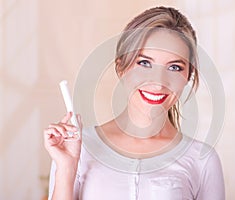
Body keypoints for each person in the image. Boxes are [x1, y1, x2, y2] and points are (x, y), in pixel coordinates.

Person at [44, 6, 225, 200]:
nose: (158, 81)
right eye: (144, 63)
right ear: (121, 66)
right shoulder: (79, 149)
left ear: (188, 76)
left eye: (174, 67)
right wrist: (66, 169)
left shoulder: (203, 160)